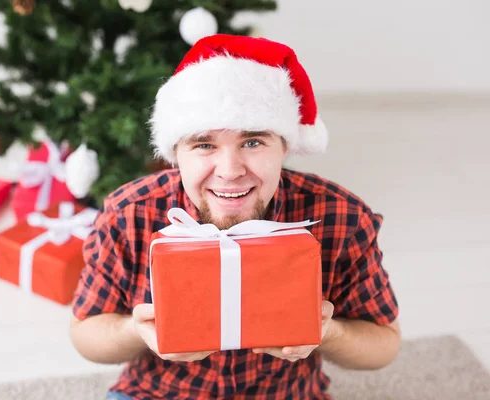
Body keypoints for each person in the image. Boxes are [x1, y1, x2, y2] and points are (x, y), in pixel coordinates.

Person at [70, 34, 400, 399]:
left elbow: (384, 343)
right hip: (158, 392)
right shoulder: (127, 214)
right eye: (204, 144)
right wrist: (138, 330)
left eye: (253, 142)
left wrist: (328, 331)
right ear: (176, 152)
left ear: (285, 146)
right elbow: (85, 334)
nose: (229, 171)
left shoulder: (343, 217)